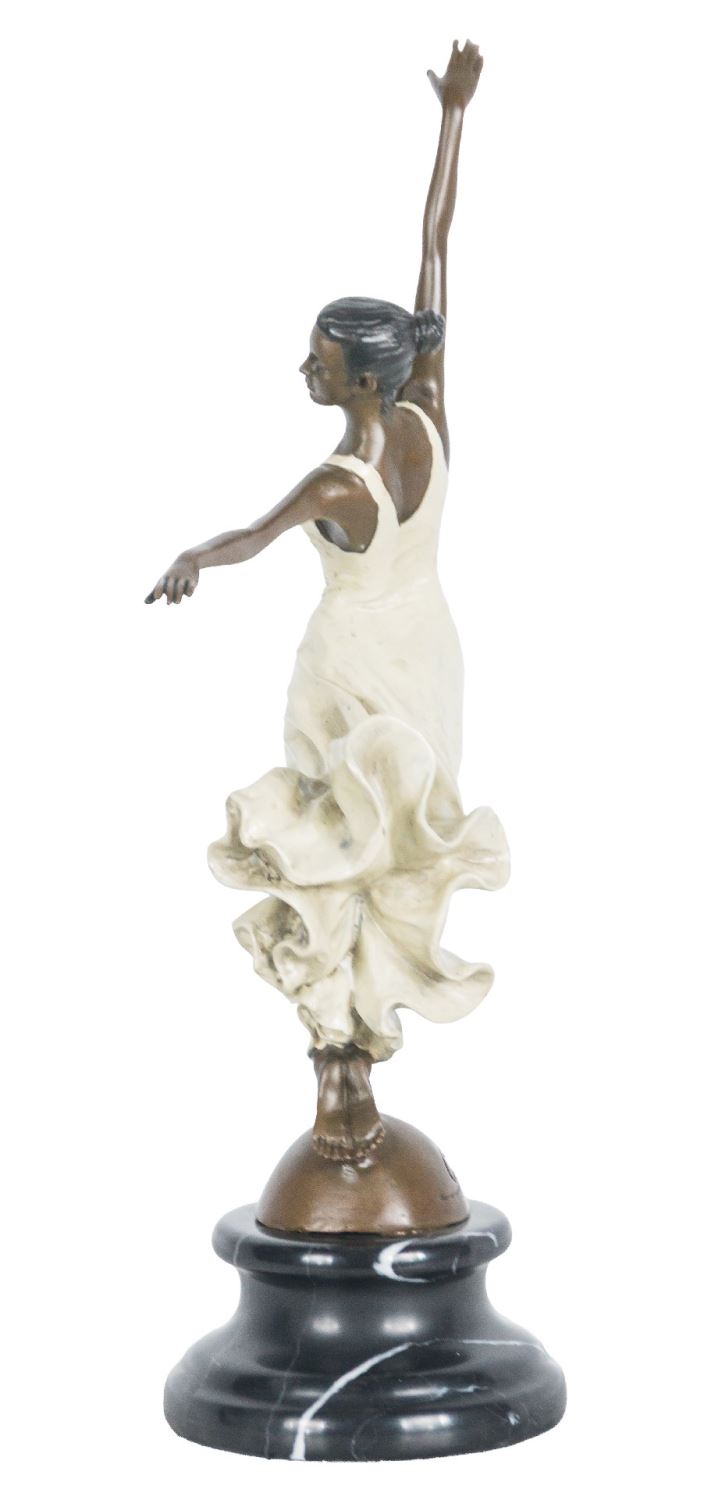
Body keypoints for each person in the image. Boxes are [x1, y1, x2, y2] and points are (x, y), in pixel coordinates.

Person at [146, 41, 509, 1162]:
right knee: (395, 847)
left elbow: (252, 537)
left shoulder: (335, 482)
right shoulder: (427, 405)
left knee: (332, 849)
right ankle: (352, 1054)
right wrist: (454, 119)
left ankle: (340, 1063)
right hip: (429, 656)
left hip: (350, 668)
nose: (302, 372)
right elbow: (434, 248)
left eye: (317, 363)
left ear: (359, 377)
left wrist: (193, 556)